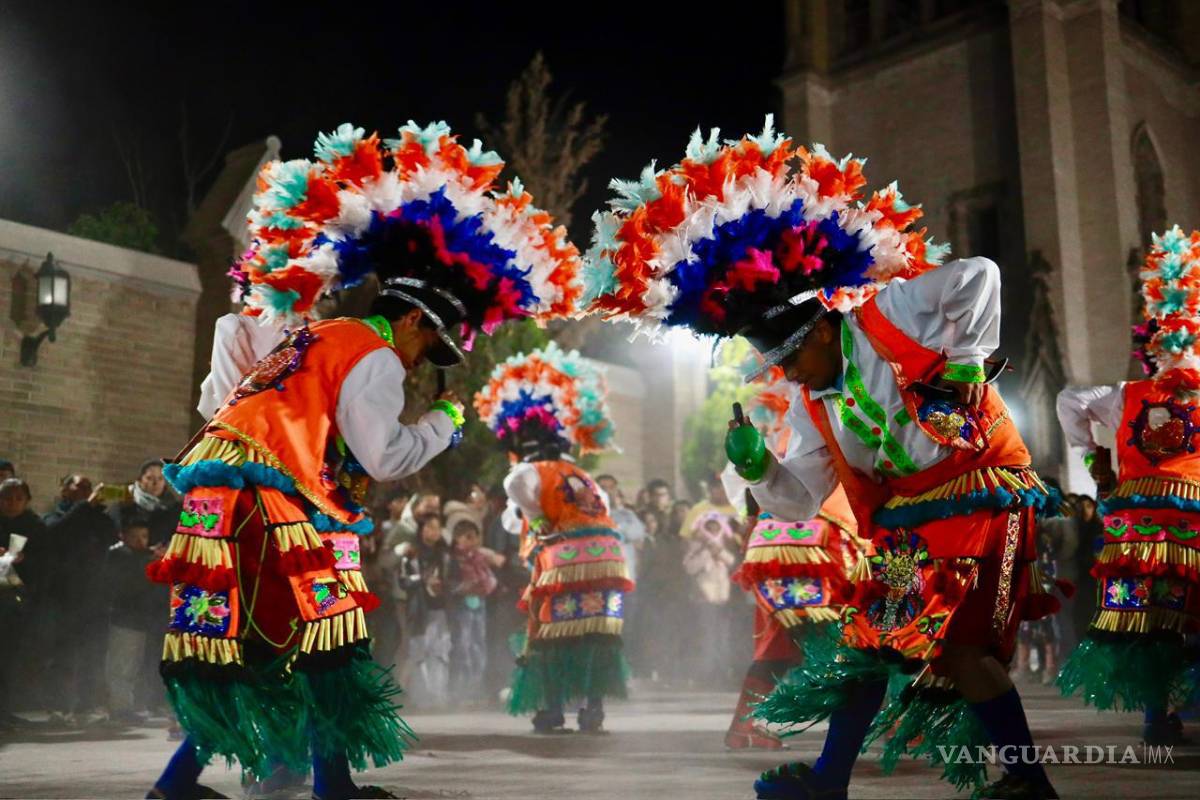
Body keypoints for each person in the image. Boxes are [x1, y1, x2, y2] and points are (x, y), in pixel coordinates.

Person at [585, 120, 1061, 799]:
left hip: (981, 492)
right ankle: (836, 783)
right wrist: (755, 470)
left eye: (790, 358)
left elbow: (979, 277)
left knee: (952, 650)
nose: (791, 376)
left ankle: (1017, 784)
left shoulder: (887, 313)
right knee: (873, 646)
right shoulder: (818, 407)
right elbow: (799, 500)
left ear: (818, 329)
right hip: (909, 521)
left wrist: (962, 365)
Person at [144, 121, 582, 800]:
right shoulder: (371, 352)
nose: (418, 360)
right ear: (410, 322)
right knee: (328, 631)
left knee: (256, 644)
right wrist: (443, 423)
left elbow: (270, 414)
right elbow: (382, 456)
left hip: (218, 490)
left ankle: (193, 784)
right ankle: (329, 787)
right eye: (427, 343)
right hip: (272, 495)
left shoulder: (318, 333)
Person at [1055, 226, 1200, 746]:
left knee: (1147, 622)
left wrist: (1095, 457)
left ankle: (1155, 716)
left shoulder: (1126, 393)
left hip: (1136, 530)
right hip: (1193, 524)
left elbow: (1069, 401)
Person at [475, 343, 633, 733]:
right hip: (609, 560)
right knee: (595, 632)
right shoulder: (586, 477)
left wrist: (532, 515)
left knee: (549, 632)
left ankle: (552, 709)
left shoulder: (529, 472)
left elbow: (517, 503)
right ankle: (593, 709)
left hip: (564, 562)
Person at [42, 474, 119, 725]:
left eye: (88, 487)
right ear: (64, 490)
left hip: (95, 597)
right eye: (79, 486)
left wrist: (95, 510)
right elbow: (55, 533)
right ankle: (58, 707)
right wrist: (84, 507)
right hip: (64, 597)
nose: (86, 490)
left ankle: (86, 706)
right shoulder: (55, 515)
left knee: (93, 655)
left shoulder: (98, 518)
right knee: (62, 655)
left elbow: (111, 536)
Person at [103, 511, 159, 725]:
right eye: (135, 536)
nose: (140, 540)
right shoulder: (118, 554)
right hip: (125, 618)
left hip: (141, 619)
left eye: (144, 536)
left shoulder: (143, 556)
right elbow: (129, 580)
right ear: (122, 536)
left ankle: (126, 706)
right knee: (121, 666)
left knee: (132, 665)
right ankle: (119, 709)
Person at [446, 508, 502, 703]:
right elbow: (449, 584)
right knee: (463, 646)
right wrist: (464, 587)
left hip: (479, 603)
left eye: (474, 538)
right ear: (456, 539)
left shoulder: (479, 557)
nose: (472, 542)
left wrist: (484, 586)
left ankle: (475, 690)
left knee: (478, 645)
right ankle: (460, 691)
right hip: (462, 605)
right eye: (467, 538)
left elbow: (490, 578)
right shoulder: (452, 559)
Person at [0, 477, 43, 729]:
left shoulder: (35, 526)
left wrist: (25, 559)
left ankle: (6, 710)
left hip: (18, 601)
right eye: (6, 498)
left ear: (27, 501)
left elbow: (48, 562)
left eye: (18, 498)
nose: (12, 503)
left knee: (10, 659)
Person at [400, 514, 453, 709]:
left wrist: (444, 586)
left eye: (437, 527)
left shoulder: (444, 554)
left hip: (440, 609)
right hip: (420, 610)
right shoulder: (411, 553)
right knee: (419, 654)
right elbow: (403, 580)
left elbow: (451, 579)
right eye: (429, 527)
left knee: (440, 653)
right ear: (421, 530)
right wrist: (422, 580)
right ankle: (420, 699)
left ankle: (439, 697)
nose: (433, 531)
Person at [112, 459, 182, 548]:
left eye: (160, 478)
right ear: (140, 480)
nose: (155, 483)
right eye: (150, 478)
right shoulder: (124, 505)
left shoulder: (174, 508)